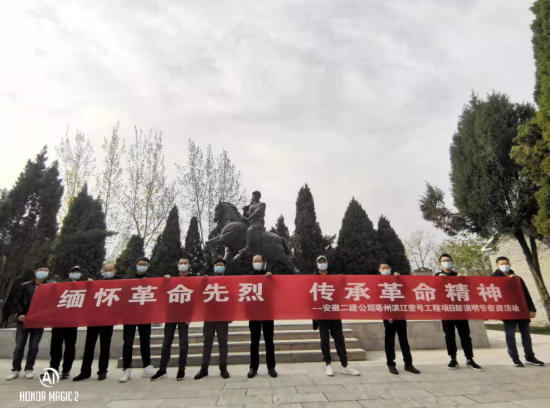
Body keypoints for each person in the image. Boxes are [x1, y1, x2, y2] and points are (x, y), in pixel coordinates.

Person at [42, 266, 92, 381]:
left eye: (77, 272)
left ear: (81, 275)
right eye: (72, 272)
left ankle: (66, 370)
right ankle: (53, 369)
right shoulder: (62, 285)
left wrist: (90, 285)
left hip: (72, 322)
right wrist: (54, 287)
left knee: (70, 347)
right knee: (55, 347)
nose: (74, 274)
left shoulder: (85, 285)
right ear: (69, 274)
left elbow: (91, 297)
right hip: (58, 321)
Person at [313, 255, 360, 377]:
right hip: (321, 313)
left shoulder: (334, 277)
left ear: (327, 262)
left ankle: (345, 365)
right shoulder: (312, 278)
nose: (322, 263)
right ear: (317, 264)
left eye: (324, 261)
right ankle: (328, 364)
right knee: (324, 340)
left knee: (339, 339)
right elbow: (309, 296)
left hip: (334, 312)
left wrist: (343, 281)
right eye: (320, 262)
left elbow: (342, 291)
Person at [492, 257, 544, 367]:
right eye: (502, 264)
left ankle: (530, 357)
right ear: (497, 265)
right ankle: (515, 357)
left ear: (510, 264)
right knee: (510, 335)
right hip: (508, 311)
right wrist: (507, 280)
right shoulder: (493, 278)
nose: (504, 265)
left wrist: (531, 309)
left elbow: (526, 293)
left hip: (522, 310)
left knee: (526, 335)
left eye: (506, 263)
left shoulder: (517, 278)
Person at [73, 263, 121, 381]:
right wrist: (88, 284)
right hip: (94, 319)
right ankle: (85, 371)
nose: (108, 271)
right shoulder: (96, 281)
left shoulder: (120, 282)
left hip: (108, 320)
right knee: (89, 346)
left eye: (110, 270)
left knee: (105, 347)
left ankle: (102, 371)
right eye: (106, 269)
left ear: (115, 271)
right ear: (103, 270)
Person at [434, 254, 482, 370]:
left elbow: (469, 290)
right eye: (444, 261)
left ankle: (469, 359)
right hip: (446, 310)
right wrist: (438, 280)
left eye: (448, 260)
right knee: (449, 335)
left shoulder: (457, 275)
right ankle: (453, 358)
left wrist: (464, 280)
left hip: (460, 310)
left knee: (465, 335)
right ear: (440, 263)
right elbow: (433, 289)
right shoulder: (436, 276)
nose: (447, 262)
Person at [373, 262, 421, 375]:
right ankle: (391, 363)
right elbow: (377, 299)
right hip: (388, 314)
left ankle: (408, 364)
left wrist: (399, 279)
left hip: (400, 313)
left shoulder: (396, 279)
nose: (385, 269)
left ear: (391, 268)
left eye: (387, 267)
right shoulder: (377, 282)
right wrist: (386, 314)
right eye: (383, 268)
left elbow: (407, 291)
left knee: (404, 339)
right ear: (379, 270)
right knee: (389, 340)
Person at [6, 263, 51, 380]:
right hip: (24, 321)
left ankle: (29, 369)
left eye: (46, 270)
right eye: (41, 270)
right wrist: (20, 313)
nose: (43, 272)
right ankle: (15, 369)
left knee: (34, 346)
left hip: (38, 322)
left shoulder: (51, 286)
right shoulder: (24, 286)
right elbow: (16, 301)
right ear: (35, 271)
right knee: (19, 346)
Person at [150, 258, 193, 381]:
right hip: (171, 315)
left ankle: (181, 369)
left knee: (183, 343)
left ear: (189, 265)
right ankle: (162, 369)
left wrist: (191, 315)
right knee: (166, 343)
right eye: (181, 263)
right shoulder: (171, 280)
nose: (183, 265)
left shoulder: (193, 279)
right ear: (177, 265)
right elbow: (162, 294)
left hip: (184, 315)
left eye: (185, 263)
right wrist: (165, 280)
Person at [120, 256, 155, 383]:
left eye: (145, 264)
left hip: (145, 315)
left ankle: (147, 367)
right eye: (140, 264)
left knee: (145, 341)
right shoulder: (128, 279)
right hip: (130, 315)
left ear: (148, 266)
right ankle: (127, 369)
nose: (142, 266)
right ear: (136, 265)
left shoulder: (152, 279)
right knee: (128, 342)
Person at [194, 257, 231, 380]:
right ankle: (204, 368)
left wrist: (231, 315)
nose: (218, 267)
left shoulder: (230, 281)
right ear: (213, 267)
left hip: (223, 317)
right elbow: (198, 294)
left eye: (221, 265)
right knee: (207, 343)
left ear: (224, 267)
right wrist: (202, 282)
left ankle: (223, 368)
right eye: (216, 265)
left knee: (223, 343)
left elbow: (233, 299)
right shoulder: (207, 280)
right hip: (209, 316)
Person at [247, 254, 277, 378]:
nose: (257, 263)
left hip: (267, 313)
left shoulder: (269, 276)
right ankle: (253, 368)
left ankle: (271, 367)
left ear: (264, 263)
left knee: (269, 341)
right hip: (254, 313)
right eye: (255, 261)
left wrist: (271, 279)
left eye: (259, 261)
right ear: (252, 263)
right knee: (254, 341)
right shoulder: (249, 277)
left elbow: (276, 291)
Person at [237, 191, 266, 257]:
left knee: (249, 230)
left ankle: (248, 247)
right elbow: (246, 215)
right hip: (250, 223)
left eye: (255, 195)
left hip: (258, 223)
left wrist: (248, 219)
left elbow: (257, 212)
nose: (254, 197)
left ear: (259, 196)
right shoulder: (251, 206)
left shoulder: (262, 204)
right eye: (253, 196)